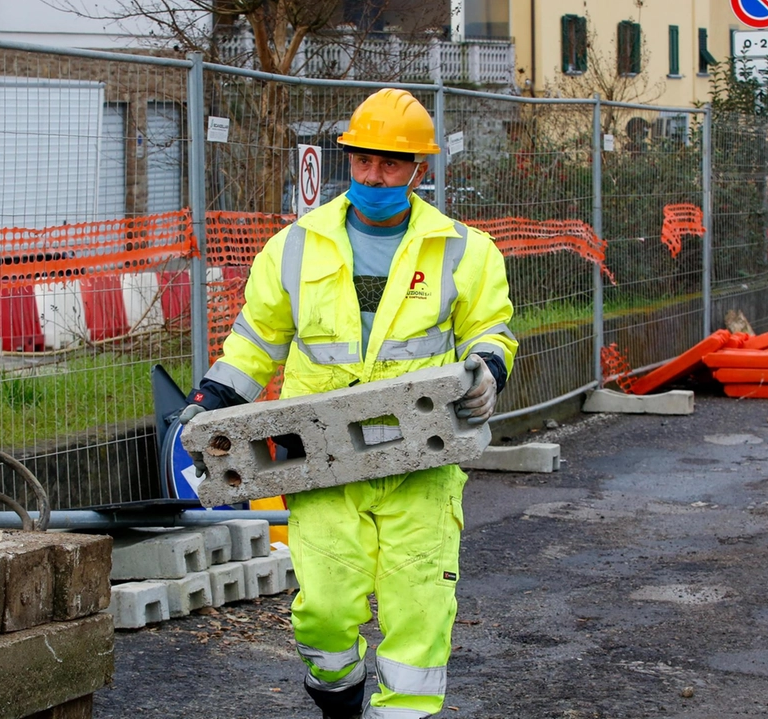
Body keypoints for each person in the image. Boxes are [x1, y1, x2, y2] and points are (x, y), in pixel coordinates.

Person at [179, 88, 516, 719]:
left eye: (390, 164)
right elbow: (256, 340)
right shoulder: (296, 245)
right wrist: (214, 398)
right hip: (323, 458)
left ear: (420, 170)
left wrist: (487, 369)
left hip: (420, 460)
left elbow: (490, 329)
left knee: (419, 616)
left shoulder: (463, 250)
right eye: (363, 161)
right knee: (326, 610)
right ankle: (337, 698)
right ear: (349, 161)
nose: (374, 176)